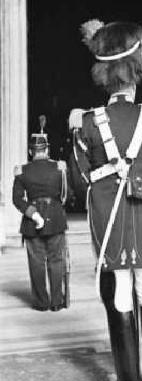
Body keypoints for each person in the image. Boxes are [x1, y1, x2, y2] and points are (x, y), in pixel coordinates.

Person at [71, 19, 142, 381]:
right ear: (135, 68)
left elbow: (81, 182)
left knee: (120, 295)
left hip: (110, 222)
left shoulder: (86, 123)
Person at [12, 133, 69, 311]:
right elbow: (66, 195)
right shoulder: (60, 168)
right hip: (55, 220)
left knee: (36, 263)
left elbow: (17, 199)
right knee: (56, 261)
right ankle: (57, 302)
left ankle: (41, 303)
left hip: (31, 222)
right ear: (47, 150)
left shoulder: (22, 171)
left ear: (31, 151)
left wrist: (33, 213)